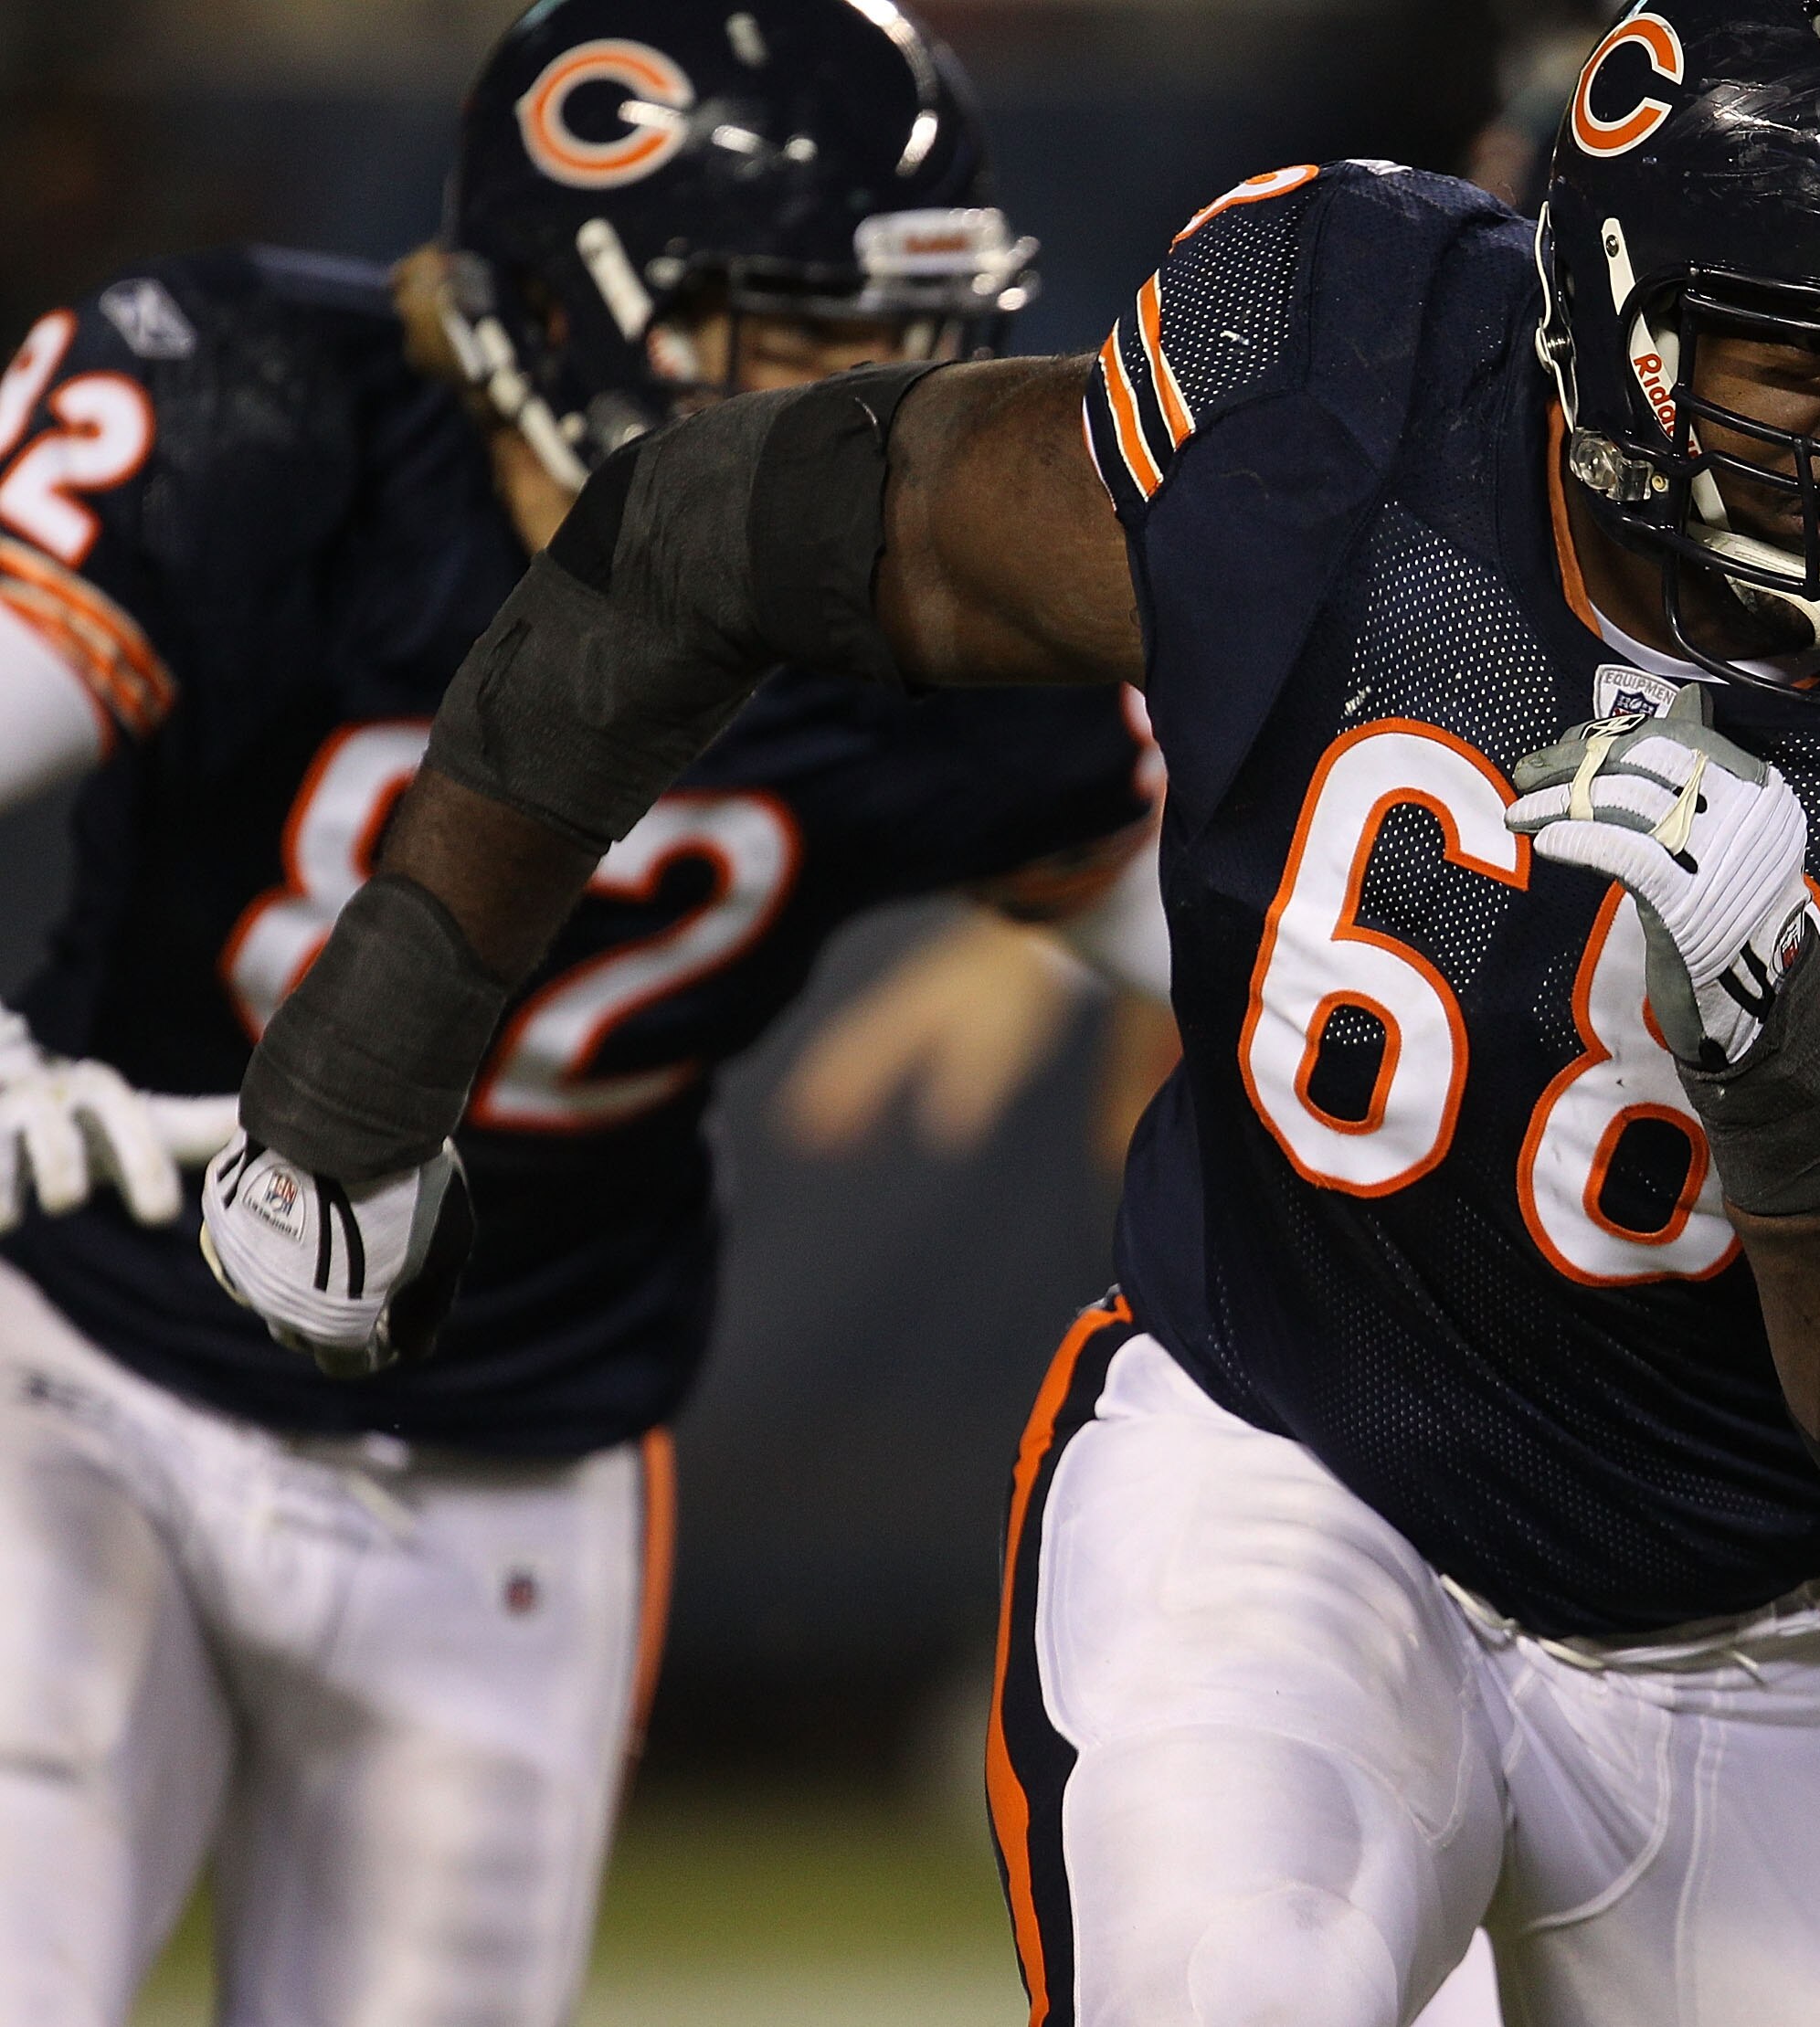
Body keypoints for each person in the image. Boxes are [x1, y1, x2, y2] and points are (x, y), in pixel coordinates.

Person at [198, 1, 1820, 2019]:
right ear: (1612, 316)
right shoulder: (1347, 382)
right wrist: (368, 1060)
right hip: (1289, 1477)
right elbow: (703, 529)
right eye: (1818, 357)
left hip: (1775, 1628)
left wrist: (1787, 1072)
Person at [0, 2, 1159, 2020]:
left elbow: (1277, 958)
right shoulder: (250, 413)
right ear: (563, 311)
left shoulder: (940, 613)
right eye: (801, 337)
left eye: (917, 333)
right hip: (91, 1367)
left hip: (518, 1449)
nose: (877, 410)